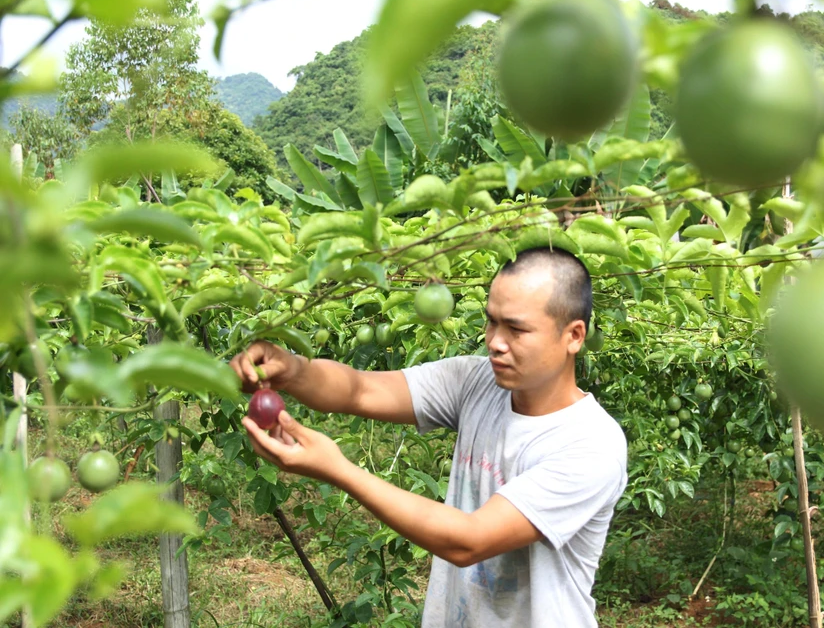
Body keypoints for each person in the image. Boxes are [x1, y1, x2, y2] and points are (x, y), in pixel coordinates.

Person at [230, 247, 628, 627]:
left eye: (517, 329)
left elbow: (469, 540)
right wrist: (294, 370)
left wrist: (338, 470)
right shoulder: (477, 382)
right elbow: (359, 389)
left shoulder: (591, 445)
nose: (495, 342)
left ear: (574, 335)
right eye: (492, 321)